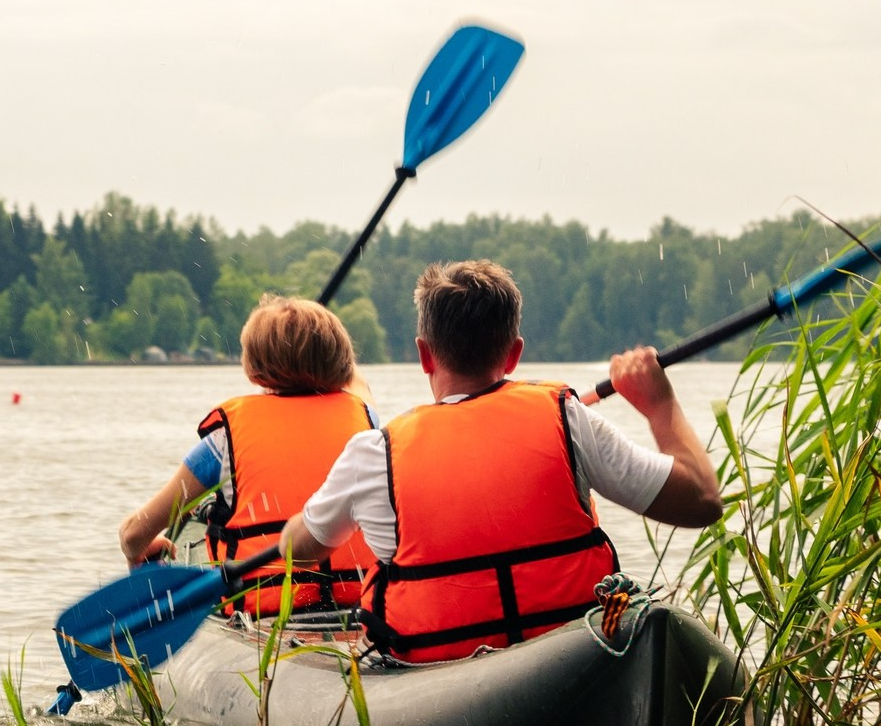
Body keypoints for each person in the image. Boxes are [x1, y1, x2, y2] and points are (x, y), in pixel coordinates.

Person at [273, 260, 722, 662]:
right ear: (514, 352)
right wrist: (659, 405)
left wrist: (296, 527)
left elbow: (301, 548)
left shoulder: (373, 453)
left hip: (435, 667)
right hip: (569, 653)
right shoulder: (566, 418)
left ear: (424, 353)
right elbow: (701, 501)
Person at [118, 295, 378, 613]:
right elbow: (356, 384)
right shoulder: (367, 422)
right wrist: (323, 349)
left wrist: (137, 551)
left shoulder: (225, 440)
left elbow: (134, 534)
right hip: (357, 601)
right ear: (342, 361)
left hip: (264, 609)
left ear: (253, 371)